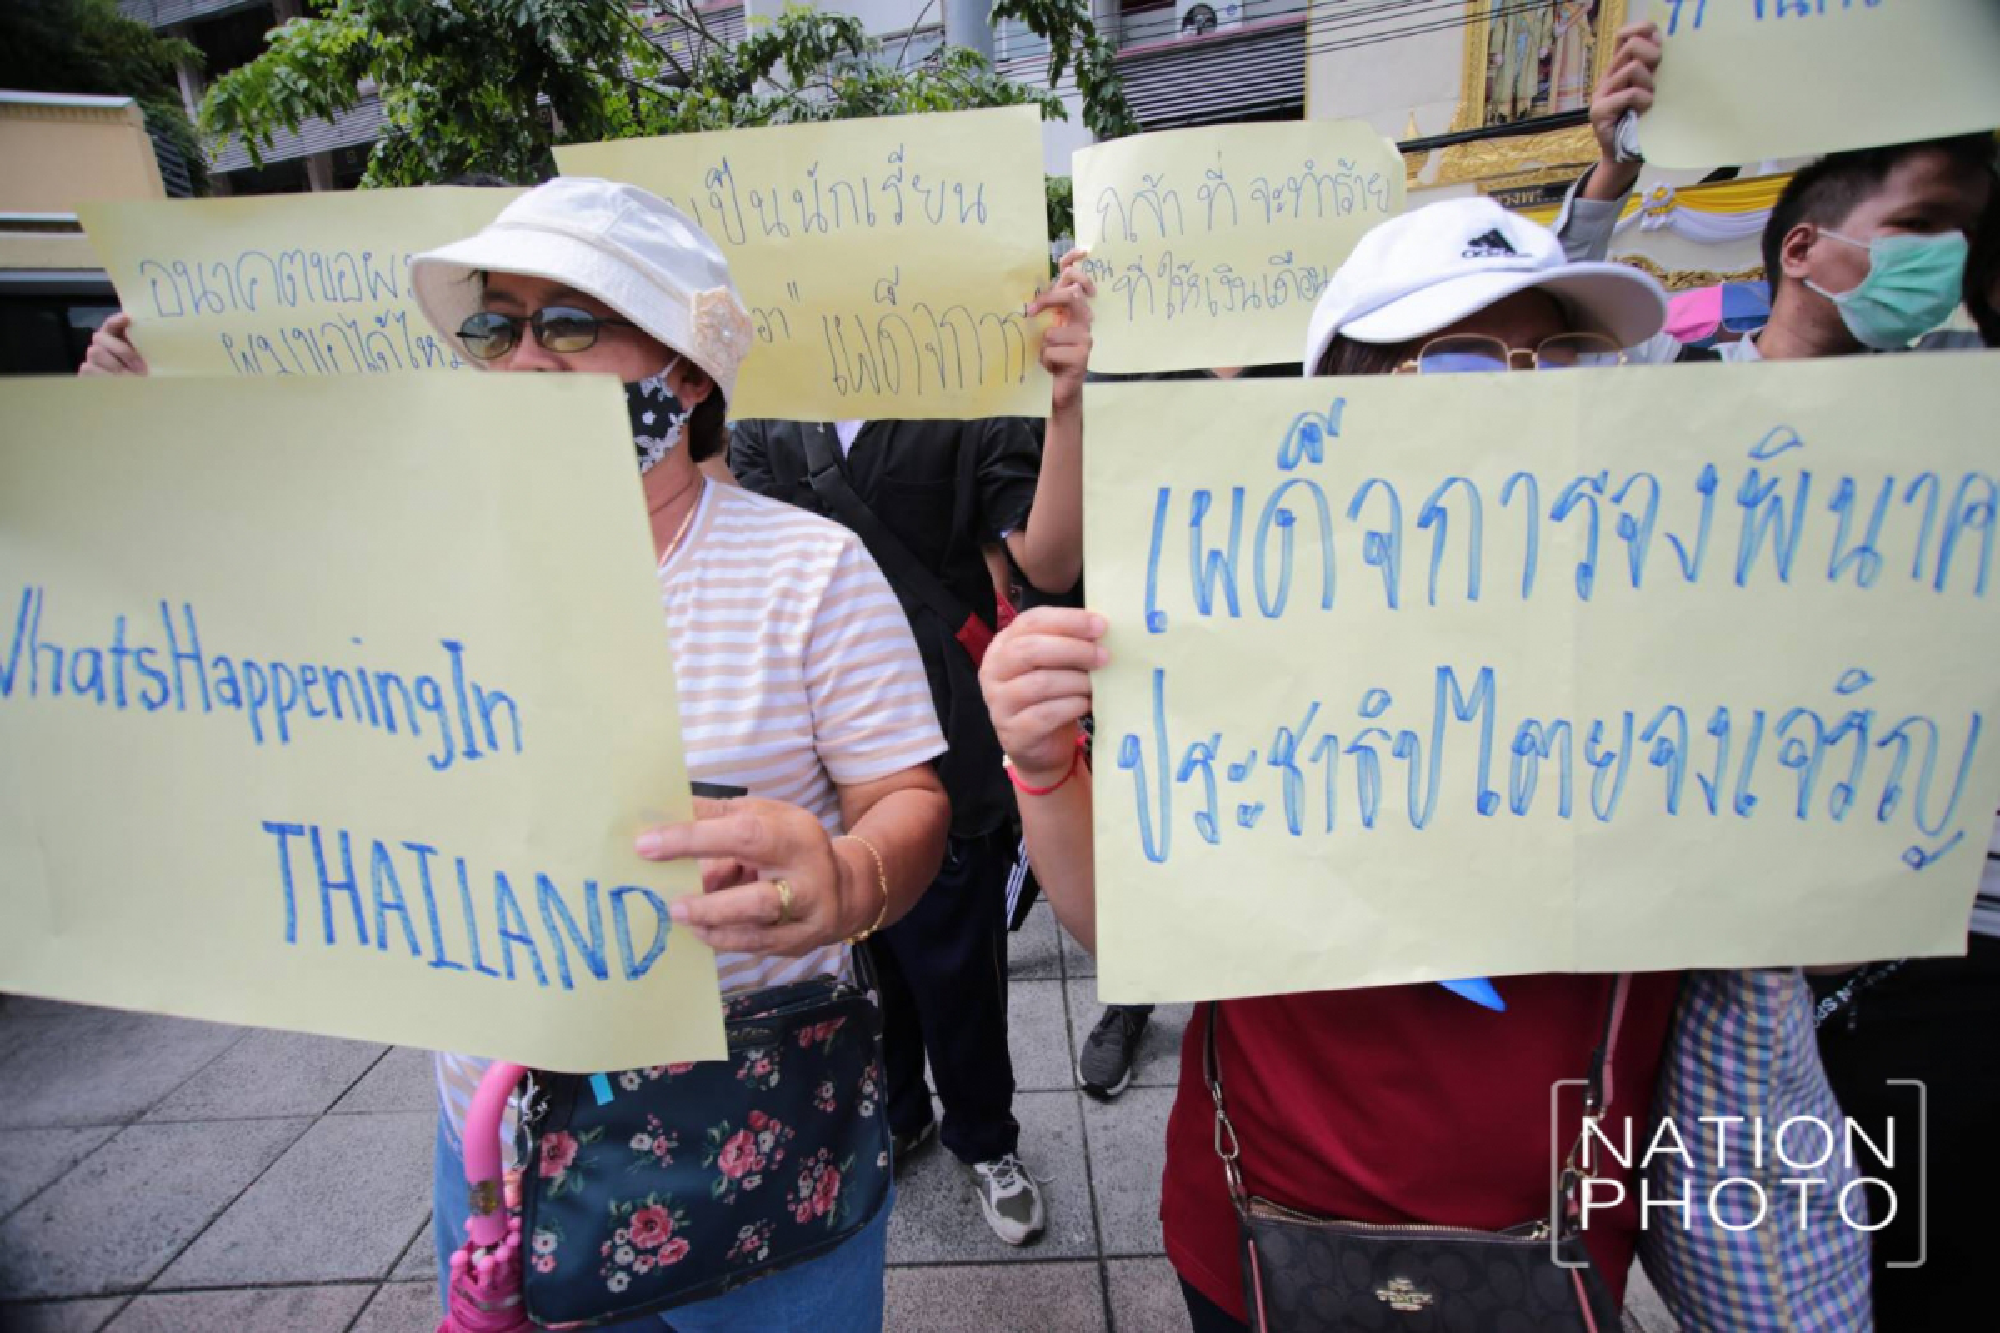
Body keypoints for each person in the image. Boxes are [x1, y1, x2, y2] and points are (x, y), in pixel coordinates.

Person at [981, 197, 1686, 1331]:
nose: (1525, 393)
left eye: (1563, 356)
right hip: (1265, 1221)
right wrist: (1040, 761)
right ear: (1341, 400)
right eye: (1460, 361)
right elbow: (1129, 924)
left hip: (1561, 1236)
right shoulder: (1229, 624)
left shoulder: (1681, 620)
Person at [418, 178, 951, 1330]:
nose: (524, 358)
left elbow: (906, 800)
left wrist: (846, 879)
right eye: (495, 326)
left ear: (688, 371)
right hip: (491, 1138)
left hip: (749, 1143)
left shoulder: (809, 570)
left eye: (569, 323)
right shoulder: (427, 560)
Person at [727, 297, 1085, 1245]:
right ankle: (898, 1112)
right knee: (860, 962)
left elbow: (1047, 560)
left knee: (959, 967)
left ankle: (985, 1137)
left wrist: (1066, 405)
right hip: (817, 751)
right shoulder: (766, 409)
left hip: (943, 737)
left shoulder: (967, 387)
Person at [1557, 22, 1994, 364]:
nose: (1954, 252)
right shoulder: (1671, 377)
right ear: (1800, 249)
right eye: (1919, 223)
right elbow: (1557, 304)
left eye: (1973, 234)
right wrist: (1617, 164)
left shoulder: (1964, 377)